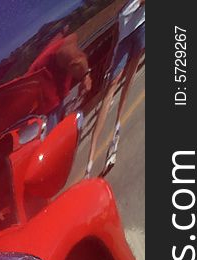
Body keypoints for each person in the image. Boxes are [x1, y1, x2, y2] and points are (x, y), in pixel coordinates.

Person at [86, 0, 145, 177]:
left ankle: (116, 134)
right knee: (112, 85)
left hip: (142, 24)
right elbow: (115, 18)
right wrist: (112, 50)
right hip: (124, 33)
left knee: (129, 80)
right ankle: (89, 163)